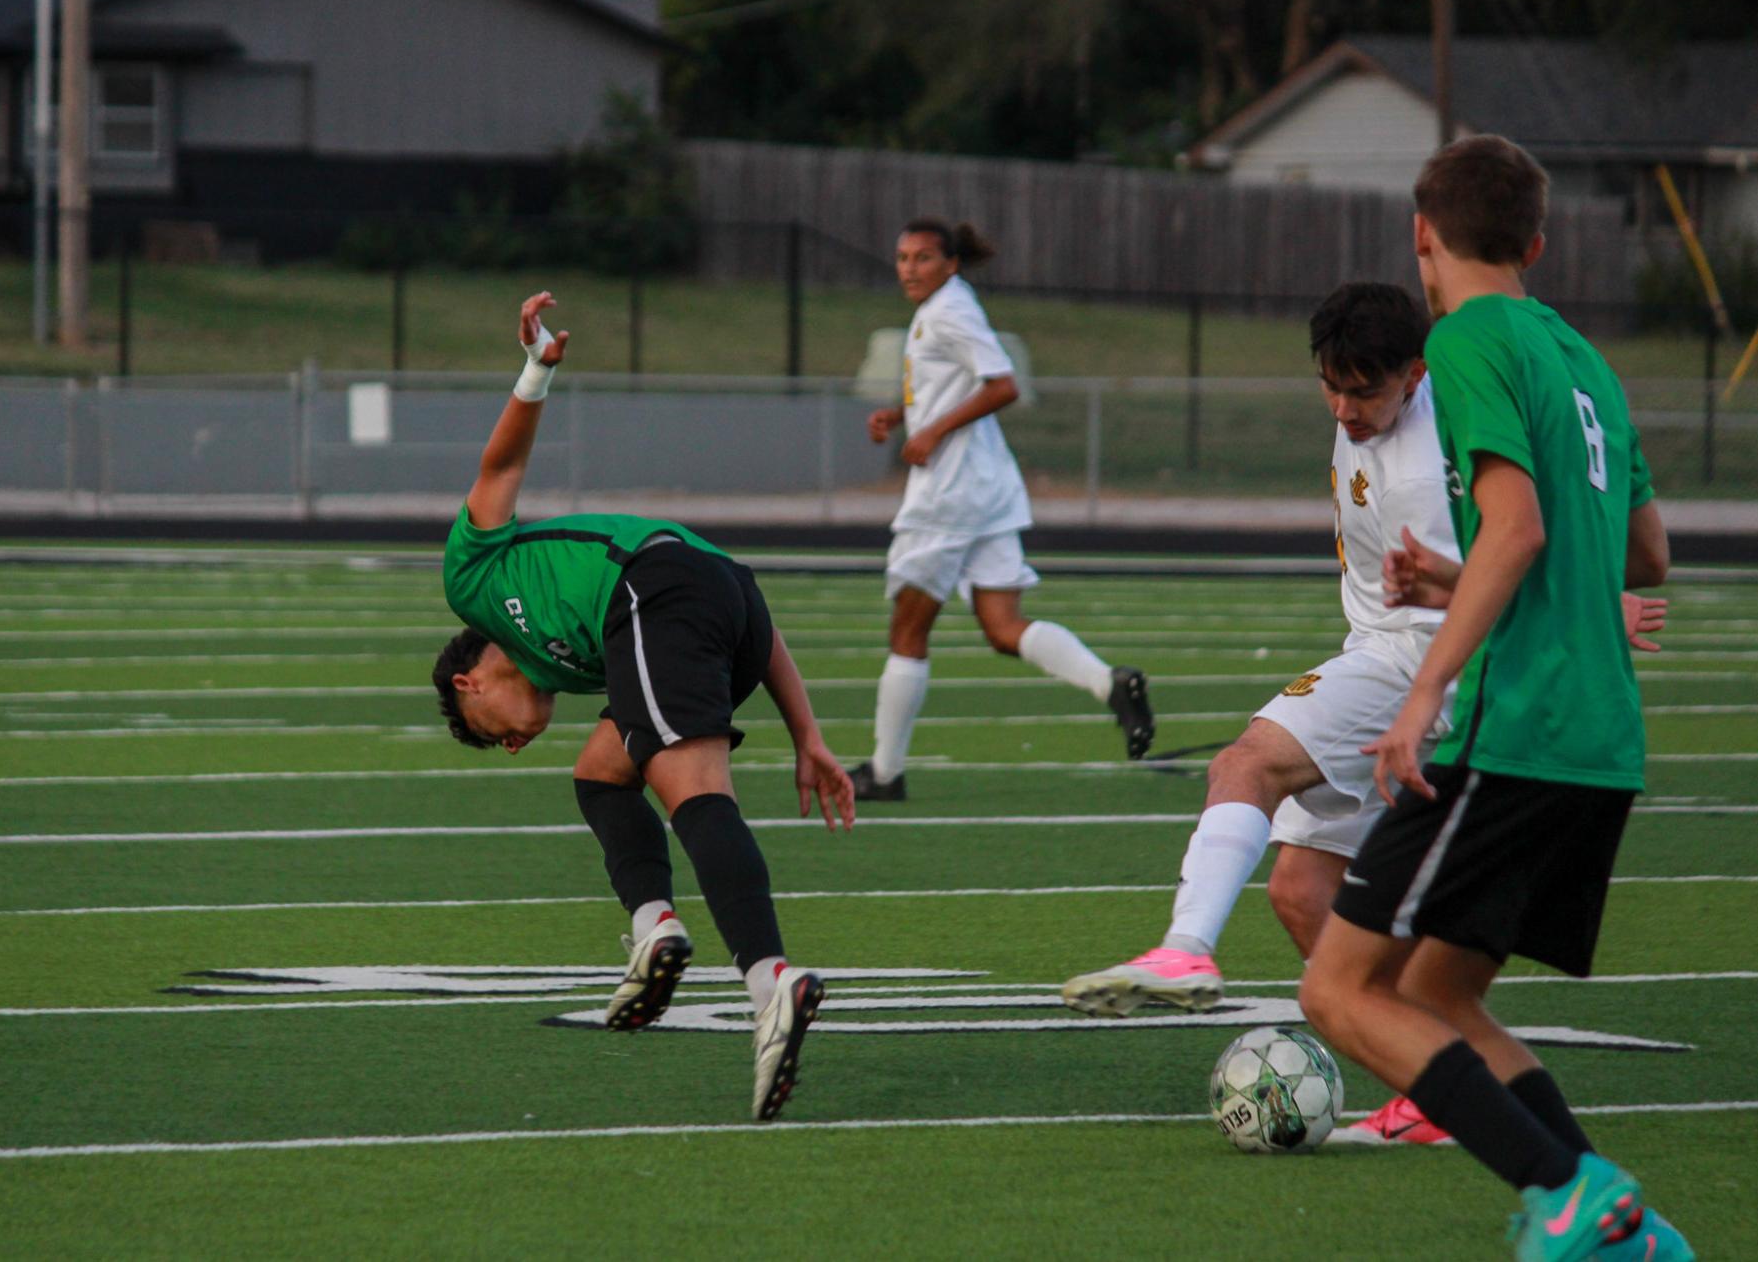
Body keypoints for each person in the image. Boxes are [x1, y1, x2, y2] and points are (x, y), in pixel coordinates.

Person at [1058, 281, 1669, 1150]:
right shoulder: (1369, 409)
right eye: (1331, 386)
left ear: (1415, 374)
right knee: (1302, 892)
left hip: (1424, 666)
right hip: (1379, 653)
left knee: (1244, 765)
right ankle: (1429, 1088)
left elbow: (1505, 558)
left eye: (1364, 390)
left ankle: (1185, 949)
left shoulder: (1435, 453)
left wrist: (1590, 604)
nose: (1345, 407)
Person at [1298, 136, 1688, 1260]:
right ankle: (1629, 1225)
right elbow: (1645, 552)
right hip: (1600, 736)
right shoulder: (1585, 361)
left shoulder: (1464, 338)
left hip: (1518, 722)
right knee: (1438, 991)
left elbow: (1516, 526)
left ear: (1422, 235)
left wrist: (1422, 695)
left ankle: (1565, 1185)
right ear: (1537, 242)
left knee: (1339, 986)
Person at [433, 291, 856, 1123]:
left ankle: (770, 980)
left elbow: (498, 472)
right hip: (721, 594)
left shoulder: (471, 584)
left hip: (657, 586)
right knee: (601, 773)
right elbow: (751, 631)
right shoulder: (586, 663)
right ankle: (655, 926)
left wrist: (533, 373)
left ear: (467, 683)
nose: (510, 747)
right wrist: (806, 732)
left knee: (694, 791)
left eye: (488, 739)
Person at [850, 217, 1154, 802]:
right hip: (986, 490)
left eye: (923, 259)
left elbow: (1002, 385)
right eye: (902, 258)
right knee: (1002, 626)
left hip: (951, 494)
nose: (910, 269)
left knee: (907, 631)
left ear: (951, 263)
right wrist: (902, 414)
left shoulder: (948, 310)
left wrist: (932, 431)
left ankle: (885, 774)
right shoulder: (945, 306)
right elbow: (954, 386)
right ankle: (1108, 683)